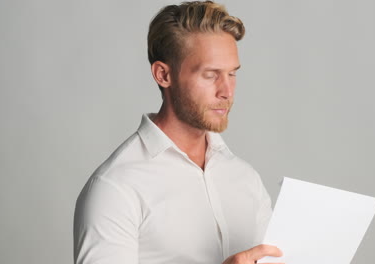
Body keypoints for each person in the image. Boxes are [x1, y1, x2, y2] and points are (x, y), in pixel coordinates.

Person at [73, 1, 283, 264]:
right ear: (163, 74)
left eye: (232, 74)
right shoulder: (116, 188)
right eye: (210, 75)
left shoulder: (246, 180)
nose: (227, 91)